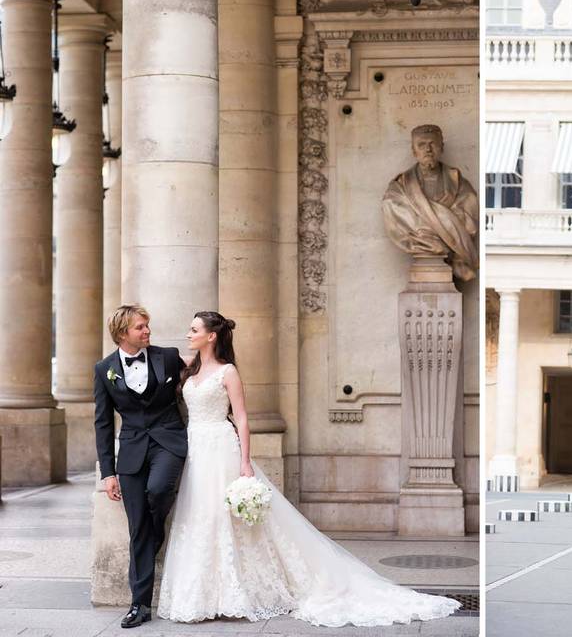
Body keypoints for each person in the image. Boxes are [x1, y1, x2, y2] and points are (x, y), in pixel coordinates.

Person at [157, 311, 460, 626]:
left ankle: (236, 594)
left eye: (194, 329)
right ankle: (203, 595)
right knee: (199, 515)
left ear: (211, 336)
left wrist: (246, 461)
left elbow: (243, 418)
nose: (188, 333)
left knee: (223, 517)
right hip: (195, 448)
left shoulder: (228, 372)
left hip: (221, 447)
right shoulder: (188, 368)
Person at [93, 305, 188, 628]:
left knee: (159, 490)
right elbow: (103, 424)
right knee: (137, 529)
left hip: (168, 443)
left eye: (147, 326)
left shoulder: (169, 357)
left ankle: (156, 527)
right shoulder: (104, 369)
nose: (148, 331)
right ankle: (140, 604)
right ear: (123, 334)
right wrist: (108, 473)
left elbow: (200, 381)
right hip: (131, 452)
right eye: (141, 327)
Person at [380, 124, 479, 281]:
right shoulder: (399, 188)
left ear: (442, 147)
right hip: (420, 243)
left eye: (432, 144)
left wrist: (441, 221)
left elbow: (469, 211)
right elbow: (392, 207)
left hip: (446, 250)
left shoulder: (458, 182)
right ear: (414, 151)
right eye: (422, 145)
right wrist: (438, 223)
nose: (428, 149)